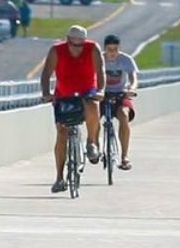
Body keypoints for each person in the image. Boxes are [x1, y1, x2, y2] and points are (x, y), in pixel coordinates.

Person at [39, 24, 104, 193]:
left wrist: (101, 90)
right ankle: (60, 177)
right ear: (67, 41)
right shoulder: (56, 50)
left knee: (93, 104)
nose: (77, 48)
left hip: (87, 90)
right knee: (62, 132)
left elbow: (100, 70)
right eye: (74, 45)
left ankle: (91, 142)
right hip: (64, 93)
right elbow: (46, 73)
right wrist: (46, 93)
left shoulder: (92, 48)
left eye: (81, 44)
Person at [100, 33, 140, 170]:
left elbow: (133, 77)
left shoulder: (126, 60)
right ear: (105, 49)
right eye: (109, 50)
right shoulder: (98, 59)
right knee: (91, 114)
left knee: (124, 115)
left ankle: (124, 156)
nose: (112, 53)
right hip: (102, 94)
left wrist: (132, 88)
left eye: (115, 50)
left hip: (120, 94)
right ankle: (93, 145)